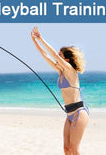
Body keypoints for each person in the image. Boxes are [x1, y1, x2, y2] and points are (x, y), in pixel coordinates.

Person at [31, 27, 88, 155]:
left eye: (60, 56)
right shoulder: (61, 71)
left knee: (74, 149)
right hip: (69, 114)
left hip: (79, 113)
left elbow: (53, 54)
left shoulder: (69, 70)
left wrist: (41, 39)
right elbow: (46, 56)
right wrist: (34, 41)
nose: (58, 57)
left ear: (67, 60)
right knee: (66, 149)